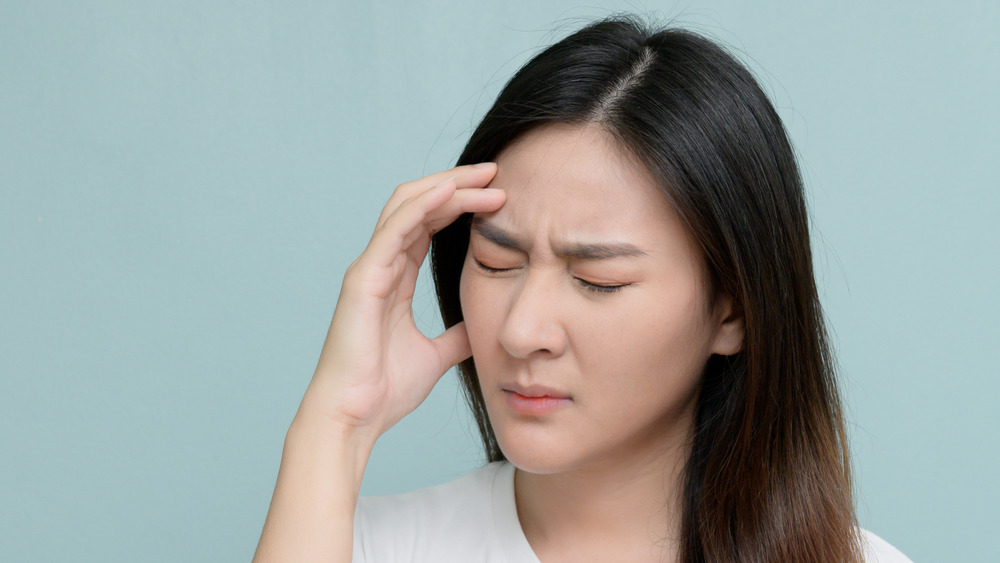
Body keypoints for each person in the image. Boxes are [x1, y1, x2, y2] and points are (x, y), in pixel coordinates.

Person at [253, 15, 912, 563]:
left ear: (732, 307)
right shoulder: (355, 545)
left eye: (597, 279)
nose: (520, 330)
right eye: (496, 259)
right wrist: (334, 427)